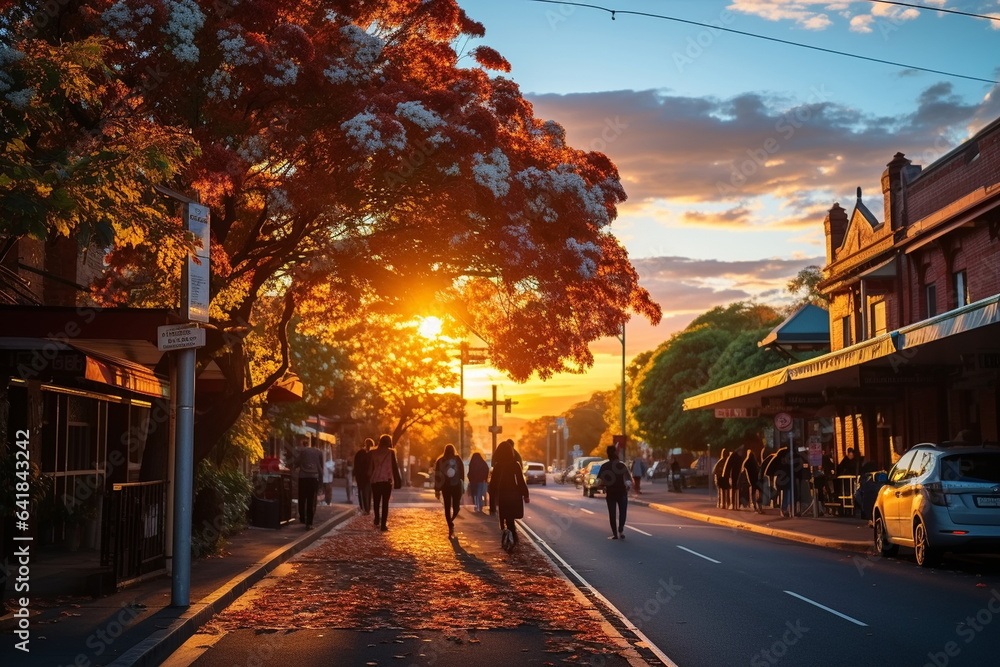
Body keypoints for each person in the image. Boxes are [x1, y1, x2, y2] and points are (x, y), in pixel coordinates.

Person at [488, 439, 529, 550]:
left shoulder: (497, 466)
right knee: (511, 518)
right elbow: (521, 481)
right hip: (514, 495)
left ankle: (508, 537)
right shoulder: (515, 465)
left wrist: (491, 495)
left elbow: (493, 483)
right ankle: (513, 539)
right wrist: (525, 495)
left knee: (505, 517)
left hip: (502, 495)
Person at [597, 445, 632, 539]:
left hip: (611, 492)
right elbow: (628, 480)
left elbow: (600, 482)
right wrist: (627, 486)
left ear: (608, 454)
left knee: (612, 513)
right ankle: (621, 529)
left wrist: (603, 486)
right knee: (623, 512)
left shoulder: (604, 466)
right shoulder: (621, 465)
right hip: (622, 492)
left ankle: (615, 534)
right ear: (616, 453)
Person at [368, 434, 402, 531]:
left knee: (376, 501)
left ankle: (376, 519)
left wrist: (369, 477)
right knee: (385, 503)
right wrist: (397, 480)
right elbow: (394, 467)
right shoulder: (391, 453)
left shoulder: (372, 452)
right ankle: (383, 525)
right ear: (389, 442)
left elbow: (370, 467)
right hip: (387, 481)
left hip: (375, 481)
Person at [433, 444, 466, 538]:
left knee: (447, 508)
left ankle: (450, 525)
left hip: (445, 487)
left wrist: (437, 489)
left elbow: (437, 476)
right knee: (456, 507)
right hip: (456, 486)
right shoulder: (458, 460)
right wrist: (462, 485)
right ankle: (451, 522)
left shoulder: (440, 461)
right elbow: (462, 474)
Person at [293, 437, 324, 529]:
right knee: (311, 500)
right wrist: (321, 483)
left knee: (302, 498)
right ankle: (309, 523)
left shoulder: (303, 452)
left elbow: (297, 462)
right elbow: (321, 468)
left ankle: (302, 517)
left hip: (303, 477)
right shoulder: (319, 453)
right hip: (313, 478)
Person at [353, 438, 373, 515]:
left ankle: (364, 508)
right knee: (367, 492)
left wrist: (355, 474)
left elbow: (356, 465)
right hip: (367, 476)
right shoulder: (371, 454)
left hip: (361, 476)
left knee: (362, 492)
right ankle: (366, 508)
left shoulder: (360, 453)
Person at [741, 449, 762, 513]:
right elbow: (759, 469)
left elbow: (743, 471)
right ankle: (759, 506)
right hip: (757, 479)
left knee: (752, 493)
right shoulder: (755, 462)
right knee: (759, 492)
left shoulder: (746, 462)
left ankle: (754, 505)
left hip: (751, 480)